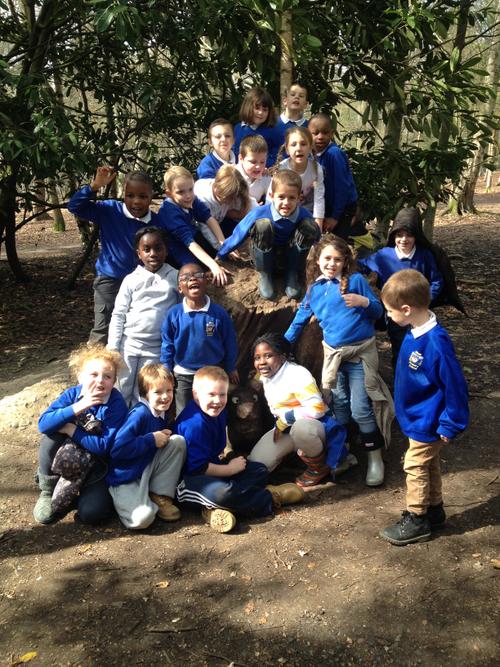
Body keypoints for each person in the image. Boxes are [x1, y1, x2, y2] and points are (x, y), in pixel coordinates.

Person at [284, 235, 394, 487]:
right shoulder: (315, 289)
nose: (332, 264)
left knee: (360, 408)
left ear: (345, 261)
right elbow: (300, 319)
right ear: (318, 260)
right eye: (327, 258)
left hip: (359, 354)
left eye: (337, 259)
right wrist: (281, 345)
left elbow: (378, 311)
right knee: (339, 407)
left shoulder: (355, 281)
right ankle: (343, 455)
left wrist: (363, 301)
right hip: (334, 357)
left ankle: (375, 459)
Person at [378, 270, 469, 545]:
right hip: (415, 415)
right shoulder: (414, 331)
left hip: (428, 419)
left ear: (406, 309)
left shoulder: (435, 344)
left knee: (415, 465)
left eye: (390, 311)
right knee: (429, 464)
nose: (388, 315)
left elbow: (455, 386)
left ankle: (417, 518)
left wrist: (451, 423)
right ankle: (434, 510)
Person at [175, 366, 305, 533]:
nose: (217, 400)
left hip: (213, 470)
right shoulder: (195, 425)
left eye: (222, 394)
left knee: (259, 470)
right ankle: (270, 498)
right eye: (211, 395)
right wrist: (230, 469)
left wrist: (231, 464)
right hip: (189, 480)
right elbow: (198, 468)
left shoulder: (218, 412)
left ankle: (215, 508)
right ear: (195, 394)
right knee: (223, 493)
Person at [34, 344, 128, 525]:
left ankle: (79, 495)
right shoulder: (72, 395)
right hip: (66, 456)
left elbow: (103, 447)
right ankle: (48, 489)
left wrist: (70, 429)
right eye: (94, 375)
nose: (100, 380)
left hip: (96, 465)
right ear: (80, 377)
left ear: (114, 381)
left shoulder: (116, 403)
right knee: (51, 436)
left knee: (93, 514)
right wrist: (78, 407)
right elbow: (43, 424)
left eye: (107, 376)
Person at [67, 167, 158, 343]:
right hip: (110, 280)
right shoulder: (110, 210)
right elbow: (74, 206)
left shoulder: (156, 222)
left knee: (136, 328)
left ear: (151, 196)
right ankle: (94, 360)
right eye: (130, 195)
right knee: (103, 330)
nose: (136, 201)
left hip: (142, 283)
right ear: (123, 194)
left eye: (142, 196)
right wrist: (94, 186)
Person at [248, 334, 351, 487]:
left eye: (268, 356)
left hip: (314, 427)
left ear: (283, 357)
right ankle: (295, 455)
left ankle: (318, 467)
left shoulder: (297, 374)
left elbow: (316, 409)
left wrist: (284, 420)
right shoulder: (266, 374)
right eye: (257, 358)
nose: (262, 362)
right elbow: (257, 379)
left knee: (301, 429)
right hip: (284, 429)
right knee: (257, 464)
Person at [358, 207, 444, 366]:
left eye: (409, 235)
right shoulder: (384, 255)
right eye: (399, 235)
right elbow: (361, 266)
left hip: (419, 314)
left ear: (416, 236)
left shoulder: (424, 255)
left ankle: (421, 376)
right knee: (400, 348)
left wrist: (425, 301)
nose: (404, 239)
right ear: (394, 236)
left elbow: (436, 281)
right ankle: (400, 378)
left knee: (421, 348)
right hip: (396, 315)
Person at [217, 170, 320, 300]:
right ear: (271, 196)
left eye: (292, 198)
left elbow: (318, 238)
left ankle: (291, 273)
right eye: (281, 197)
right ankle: (265, 274)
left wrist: (322, 256)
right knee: (263, 225)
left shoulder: (304, 215)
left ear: (299, 198)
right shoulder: (260, 213)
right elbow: (239, 234)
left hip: (289, 254)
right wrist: (221, 254)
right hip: (264, 253)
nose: (286, 202)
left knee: (309, 226)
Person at [107, 364, 186, 529]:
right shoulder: (139, 414)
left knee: (177, 441)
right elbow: (117, 450)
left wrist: (160, 436)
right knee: (143, 519)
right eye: (158, 392)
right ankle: (127, 499)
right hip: (126, 477)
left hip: (145, 467)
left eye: (169, 390)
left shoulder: (162, 411)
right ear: (145, 393)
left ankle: (159, 494)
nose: (165, 396)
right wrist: (151, 439)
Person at [107, 227, 180, 406]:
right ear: (139, 253)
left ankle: (141, 422)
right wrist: (113, 346)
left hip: (155, 348)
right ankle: (117, 422)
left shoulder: (175, 277)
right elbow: (118, 314)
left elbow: (180, 313)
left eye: (158, 248)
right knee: (121, 389)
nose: (153, 253)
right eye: (147, 249)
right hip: (128, 345)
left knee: (145, 393)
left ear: (166, 250)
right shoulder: (131, 279)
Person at [160, 263, 239, 416]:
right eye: (185, 277)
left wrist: (231, 367)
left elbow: (230, 342)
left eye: (198, 275)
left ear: (206, 281)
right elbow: (167, 344)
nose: (192, 279)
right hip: (183, 374)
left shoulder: (219, 314)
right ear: (179, 288)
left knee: (214, 412)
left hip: (213, 373)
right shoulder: (173, 314)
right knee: (185, 414)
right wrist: (166, 369)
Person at [157, 166, 229, 286]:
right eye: (181, 192)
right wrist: (213, 266)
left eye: (190, 189)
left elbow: (208, 218)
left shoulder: (191, 199)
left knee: (219, 254)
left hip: (192, 235)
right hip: (176, 248)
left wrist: (224, 244)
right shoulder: (170, 213)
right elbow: (189, 243)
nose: (188, 195)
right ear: (169, 194)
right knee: (195, 273)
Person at [308, 114, 361, 240]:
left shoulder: (334, 154)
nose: (320, 137)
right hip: (327, 206)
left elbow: (342, 187)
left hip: (342, 208)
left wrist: (335, 217)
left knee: (337, 242)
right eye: (315, 133)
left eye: (325, 133)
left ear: (332, 134)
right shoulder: (310, 155)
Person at [272, 126, 325, 230]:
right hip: (285, 209)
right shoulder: (282, 168)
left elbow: (319, 198)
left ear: (310, 147)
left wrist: (318, 225)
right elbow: (272, 196)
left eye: (303, 144)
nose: (299, 148)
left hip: (306, 212)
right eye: (293, 144)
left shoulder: (316, 168)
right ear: (287, 149)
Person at [194, 164, 258, 238]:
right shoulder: (203, 200)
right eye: (224, 198)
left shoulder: (231, 190)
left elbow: (248, 201)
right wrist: (220, 244)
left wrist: (259, 213)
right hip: (199, 230)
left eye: (231, 199)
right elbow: (205, 229)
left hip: (220, 222)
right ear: (216, 187)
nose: (227, 202)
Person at [233, 87, 281, 168]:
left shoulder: (273, 130)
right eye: (257, 108)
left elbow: (278, 154)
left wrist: (265, 166)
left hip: (265, 171)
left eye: (265, 110)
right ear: (248, 107)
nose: (260, 112)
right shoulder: (238, 129)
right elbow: (234, 153)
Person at [235, 135, 272, 203]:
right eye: (253, 162)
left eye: (262, 162)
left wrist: (262, 208)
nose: (258, 166)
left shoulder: (265, 177)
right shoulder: (233, 175)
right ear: (241, 159)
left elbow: (271, 201)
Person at [275, 82, 309, 148]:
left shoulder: (309, 127)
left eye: (301, 96)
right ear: (285, 101)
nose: (297, 97)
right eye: (293, 94)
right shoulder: (272, 124)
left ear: (305, 104)